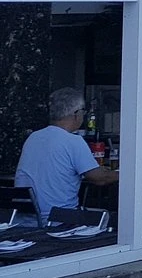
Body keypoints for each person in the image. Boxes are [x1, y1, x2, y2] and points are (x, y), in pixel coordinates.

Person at [14, 87, 118, 222]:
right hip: (59, 220)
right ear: (77, 114)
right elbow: (100, 179)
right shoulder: (73, 141)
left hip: (24, 220)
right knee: (112, 219)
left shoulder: (33, 138)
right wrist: (126, 174)